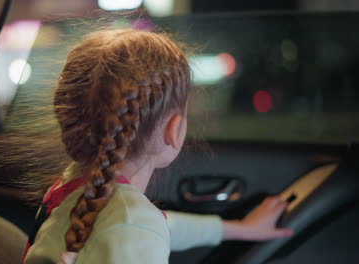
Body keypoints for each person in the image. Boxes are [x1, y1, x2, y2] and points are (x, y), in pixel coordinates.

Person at [22, 28, 293, 264]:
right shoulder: (131, 222)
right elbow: (141, 224)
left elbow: (158, 223)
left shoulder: (74, 187)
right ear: (173, 130)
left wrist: (239, 228)